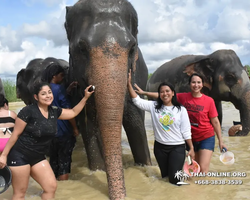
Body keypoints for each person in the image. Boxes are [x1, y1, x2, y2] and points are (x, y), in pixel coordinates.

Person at [0, 82, 94, 200]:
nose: (48, 96)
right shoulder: (28, 111)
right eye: (43, 94)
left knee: (51, 187)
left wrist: (85, 97)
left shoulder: (54, 111)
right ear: (36, 97)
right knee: (20, 193)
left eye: (49, 92)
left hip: (38, 156)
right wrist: (4, 155)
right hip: (20, 156)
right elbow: (15, 134)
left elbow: (73, 112)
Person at [133, 73, 227, 173]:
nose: (196, 85)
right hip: (190, 138)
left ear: (202, 85)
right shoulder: (183, 97)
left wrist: (221, 141)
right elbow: (164, 96)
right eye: (193, 82)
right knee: (193, 169)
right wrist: (144, 93)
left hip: (206, 137)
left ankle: (203, 186)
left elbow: (215, 122)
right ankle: (194, 188)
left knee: (203, 169)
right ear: (189, 84)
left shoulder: (209, 101)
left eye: (199, 82)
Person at [127, 70, 194, 185]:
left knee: (175, 179)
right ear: (159, 95)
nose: (165, 94)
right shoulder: (154, 106)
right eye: (161, 92)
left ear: (173, 93)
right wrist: (128, 84)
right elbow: (137, 101)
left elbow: (186, 130)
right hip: (160, 148)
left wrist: (191, 147)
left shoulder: (180, 110)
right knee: (165, 177)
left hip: (177, 148)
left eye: (167, 91)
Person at [42, 63, 79, 181]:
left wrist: (67, 90)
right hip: (63, 132)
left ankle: (54, 187)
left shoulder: (43, 90)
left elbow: (54, 101)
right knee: (64, 163)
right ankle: (64, 188)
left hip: (49, 133)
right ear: (54, 76)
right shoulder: (59, 89)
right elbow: (68, 111)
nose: (63, 78)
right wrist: (75, 128)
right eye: (61, 75)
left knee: (54, 161)